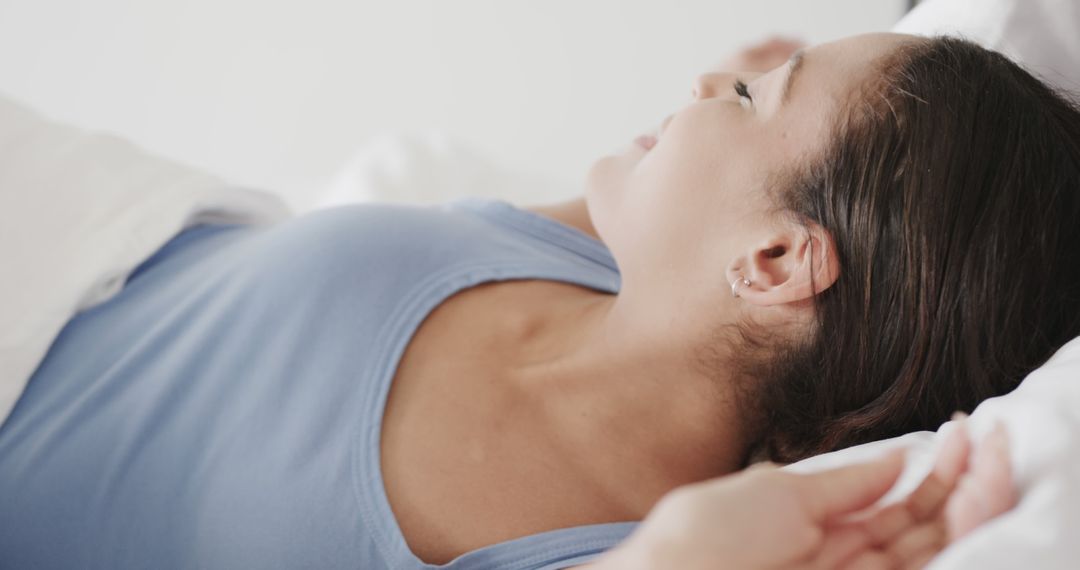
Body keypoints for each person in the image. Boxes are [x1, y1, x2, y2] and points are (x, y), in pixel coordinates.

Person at [0, 30, 1076, 569]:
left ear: (777, 263)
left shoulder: (599, 548)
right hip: (67, 235)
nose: (711, 82)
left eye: (751, 97)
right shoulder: (595, 253)